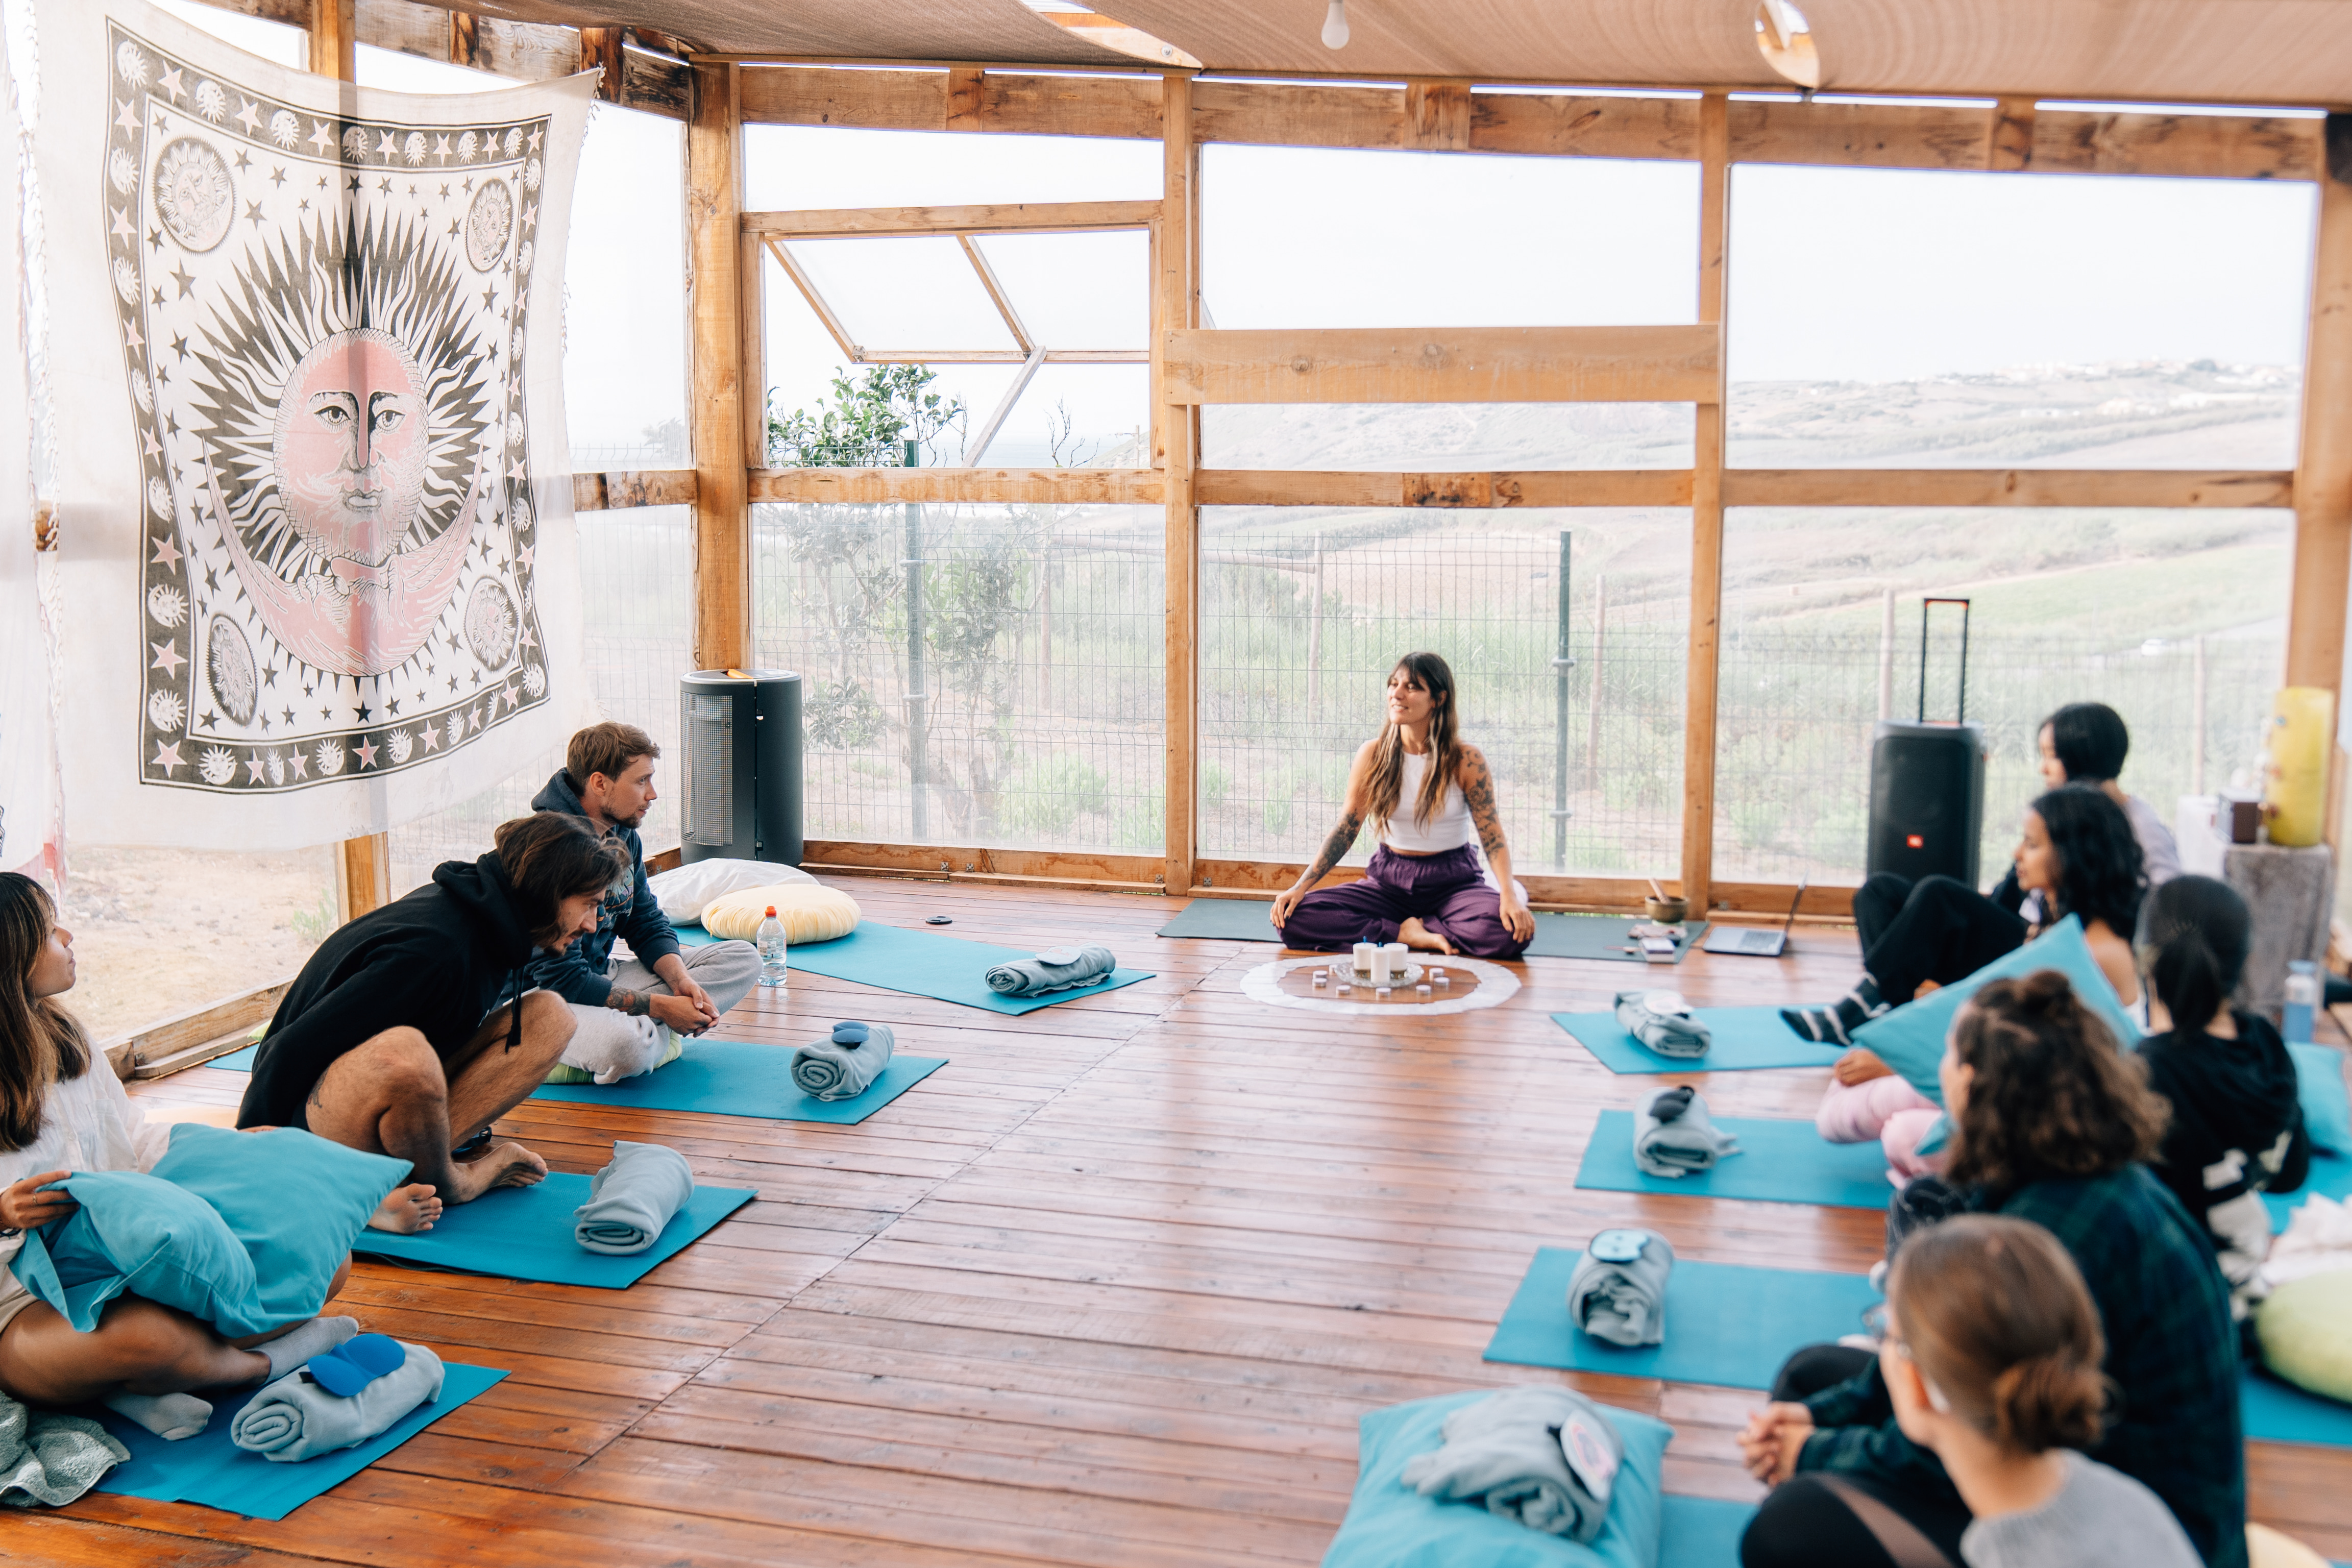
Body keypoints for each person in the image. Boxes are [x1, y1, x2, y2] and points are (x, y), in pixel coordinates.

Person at [1740, 973, 2244, 1568]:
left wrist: (1815, 1452)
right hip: (2063, 1454)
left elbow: (1972, 1435)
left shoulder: (2052, 1235)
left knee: (1786, 1528)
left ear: (1973, 1083)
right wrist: (1816, 1420)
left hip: (2128, 1533)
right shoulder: (2054, 1173)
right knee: (1811, 1377)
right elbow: (1936, 1374)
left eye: (1947, 1051)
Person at [0, 874, 436, 1440]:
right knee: (149, 1340)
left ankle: (144, 1386)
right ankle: (262, 1364)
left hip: (122, 1263)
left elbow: (132, 1139)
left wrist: (235, 1148)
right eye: (47, 930)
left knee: (324, 1263)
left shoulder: (68, 1038)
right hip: (23, 1306)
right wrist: (3, 1216)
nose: (68, 935)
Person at [1750, 1213, 2202, 1568]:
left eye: (1886, 1332)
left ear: (1917, 1384)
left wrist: (1813, 1452)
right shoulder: (2130, 1499)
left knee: (1780, 1528)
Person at [236, 813, 628, 1204]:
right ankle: (448, 1182)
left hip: (378, 1103)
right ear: (549, 891)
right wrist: (249, 1158)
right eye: (588, 905)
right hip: (310, 1125)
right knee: (407, 1053)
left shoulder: (493, 925)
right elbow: (290, 1048)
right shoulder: (436, 950)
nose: (592, 924)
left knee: (550, 1017)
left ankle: (403, 1178)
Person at [1785, 784, 2144, 1047]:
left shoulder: (2095, 947)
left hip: (2025, 1028)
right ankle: (1883, 1011)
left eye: (2032, 845)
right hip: (2019, 955)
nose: (2017, 853)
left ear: (2075, 854)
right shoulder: (2056, 914)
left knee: (1938, 894)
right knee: (1878, 891)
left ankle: (1865, 1008)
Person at [528, 723, 759, 1081]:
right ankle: (642, 1034)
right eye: (641, 781)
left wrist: (681, 981)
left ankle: (642, 1029)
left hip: (599, 976)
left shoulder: (622, 835)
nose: (652, 794)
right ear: (600, 783)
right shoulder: (549, 850)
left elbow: (644, 921)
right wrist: (663, 1008)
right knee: (629, 1048)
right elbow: (561, 978)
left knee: (743, 958)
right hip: (541, 999)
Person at [1268, 652, 1536, 960]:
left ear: (1438, 699)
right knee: (1294, 919)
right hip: (1390, 882)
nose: (1396, 694)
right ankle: (1404, 934)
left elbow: (1492, 836)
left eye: (1411, 687)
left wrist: (1508, 895)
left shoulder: (1466, 759)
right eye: (1393, 684)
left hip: (1453, 883)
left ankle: (1419, 928)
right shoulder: (1372, 754)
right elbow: (1345, 829)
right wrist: (1300, 887)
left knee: (1507, 932)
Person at [2133, 875, 2308, 1323]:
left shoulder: (2148, 1070)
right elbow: (2291, 1175)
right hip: (2245, 1279)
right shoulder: (2267, 1044)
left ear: (2147, 960)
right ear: (2244, 960)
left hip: (2178, 1302)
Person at [2015, 702, 2181, 897]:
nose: (2042, 769)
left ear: (2085, 757)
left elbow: (2170, 902)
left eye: (2052, 756)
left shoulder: (2142, 827)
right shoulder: (2065, 817)